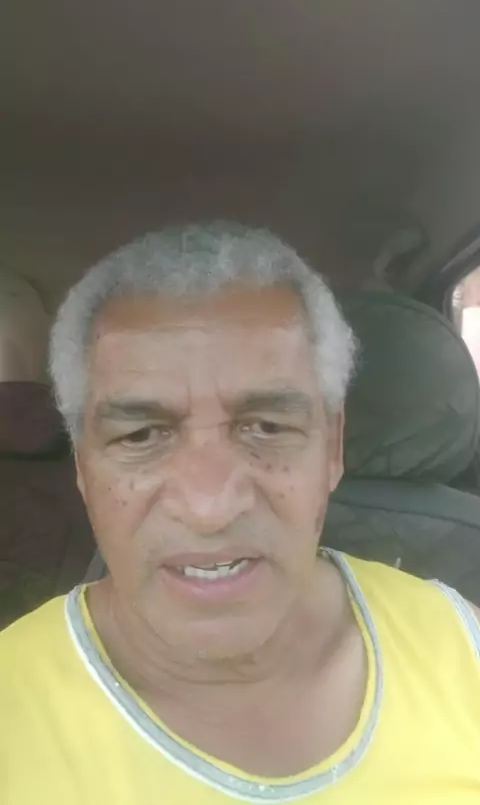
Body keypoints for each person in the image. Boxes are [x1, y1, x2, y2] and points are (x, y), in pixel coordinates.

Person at [1, 223, 479, 803]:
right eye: (141, 435)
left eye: (268, 427)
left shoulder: (462, 645)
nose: (210, 508)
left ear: (332, 450)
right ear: (83, 467)